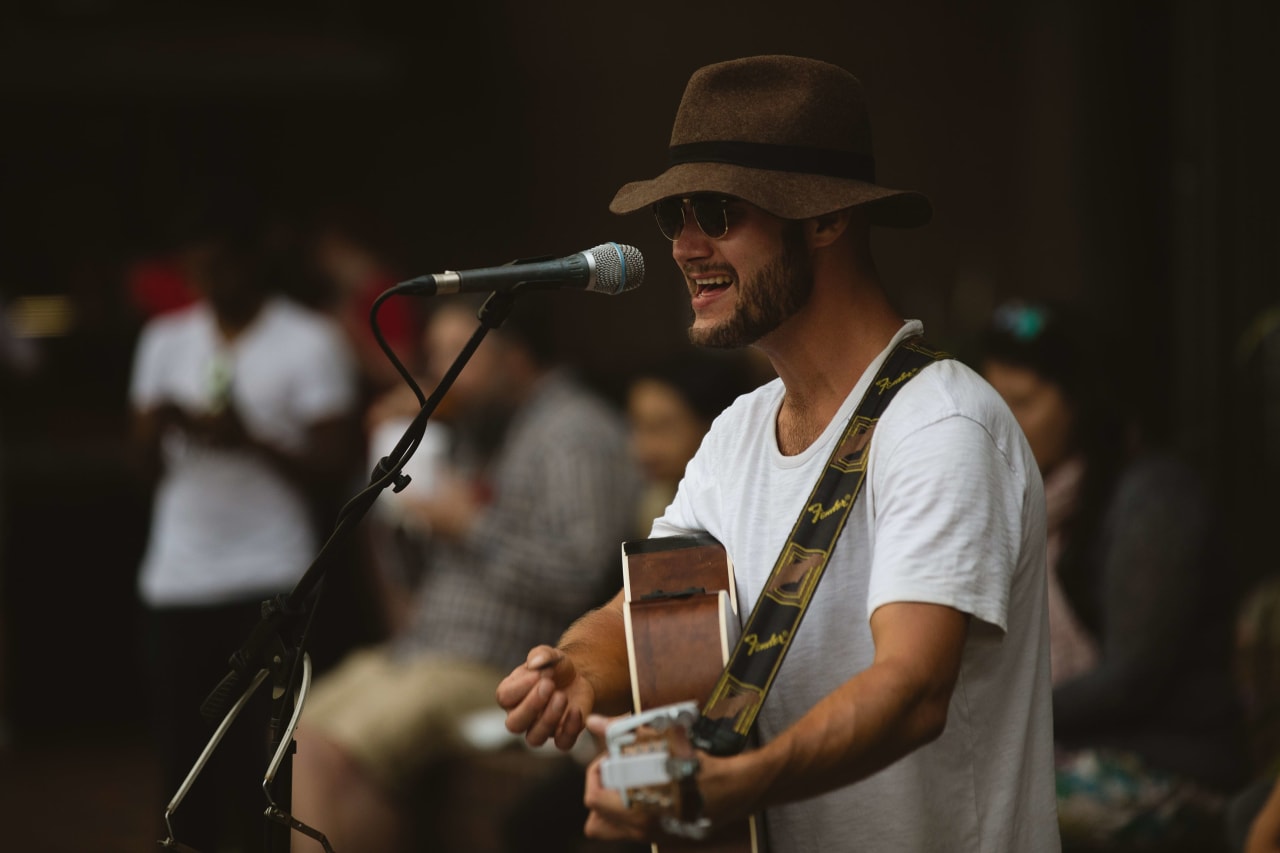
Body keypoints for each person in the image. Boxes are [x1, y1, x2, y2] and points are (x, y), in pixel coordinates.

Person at [497, 54, 1060, 852]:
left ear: (826, 217)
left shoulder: (942, 427)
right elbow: (658, 612)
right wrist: (577, 669)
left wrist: (737, 782)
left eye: (718, 212)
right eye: (675, 216)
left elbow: (913, 688)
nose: (685, 246)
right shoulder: (736, 434)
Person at [289, 295, 644, 853]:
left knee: (330, 750)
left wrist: (469, 525)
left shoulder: (574, 431)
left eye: (461, 354)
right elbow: (407, 572)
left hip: (499, 661)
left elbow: (579, 574)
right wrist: (390, 458)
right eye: (434, 356)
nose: (440, 374)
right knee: (294, 737)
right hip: (425, 648)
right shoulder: (482, 430)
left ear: (516, 355)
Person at [128, 186, 362, 852]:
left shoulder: (309, 339)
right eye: (198, 268)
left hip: (271, 577)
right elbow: (141, 468)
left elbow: (338, 465)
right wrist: (156, 429)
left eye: (223, 265)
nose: (211, 281)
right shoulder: (166, 339)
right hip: (177, 577)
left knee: (265, 762)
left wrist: (250, 437)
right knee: (183, 755)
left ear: (253, 260)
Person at [975, 298, 1249, 849]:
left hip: (1166, 762)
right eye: (994, 401)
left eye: (1025, 402)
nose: (1003, 422)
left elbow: (1132, 679)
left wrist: (992, 717)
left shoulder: (1152, 498)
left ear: (1080, 404)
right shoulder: (1029, 501)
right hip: (1071, 746)